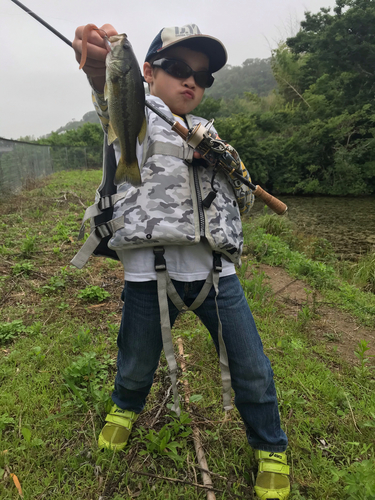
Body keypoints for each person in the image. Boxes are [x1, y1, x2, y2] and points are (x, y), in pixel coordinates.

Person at [72, 23, 290, 500]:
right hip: (147, 274)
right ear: (146, 73)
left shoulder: (214, 140)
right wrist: (99, 74)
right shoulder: (136, 122)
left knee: (250, 365)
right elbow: (111, 106)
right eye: (177, 69)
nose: (192, 80)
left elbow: (244, 201)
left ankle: (271, 446)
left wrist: (222, 164)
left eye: (203, 76)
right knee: (135, 359)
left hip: (218, 276)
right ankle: (124, 407)